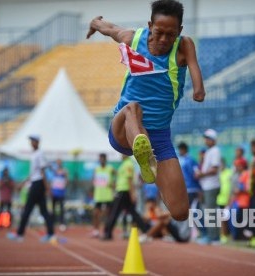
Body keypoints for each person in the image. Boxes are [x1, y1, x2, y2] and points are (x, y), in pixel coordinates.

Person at [86, 0, 205, 221]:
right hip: (124, 127)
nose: (163, 40)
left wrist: (198, 90)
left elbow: (197, 80)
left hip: (159, 136)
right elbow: (109, 29)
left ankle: (149, 162)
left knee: (180, 212)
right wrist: (95, 23)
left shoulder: (183, 46)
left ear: (179, 31)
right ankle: (144, 155)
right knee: (134, 107)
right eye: (159, 32)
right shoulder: (134, 39)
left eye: (171, 35)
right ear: (150, 25)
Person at [7, 135, 55, 243]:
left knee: (28, 209)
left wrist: (47, 187)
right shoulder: (34, 154)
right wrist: (23, 183)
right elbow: (33, 173)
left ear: (37, 142)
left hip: (38, 185)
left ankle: (20, 234)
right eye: (31, 141)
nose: (31, 143)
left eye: (33, 141)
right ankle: (51, 234)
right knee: (43, 211)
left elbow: (42, 172)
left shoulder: (40, 154)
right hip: (35, 183)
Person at [102, 155, 148, 240]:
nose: (121, 155)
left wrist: (132, 194)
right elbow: (122, 178)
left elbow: (129, 180)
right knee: (133, 213)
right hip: (123, 190)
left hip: (124, 191)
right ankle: (146, 230)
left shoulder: (128, 164)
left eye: (122, 153)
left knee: (114, 212)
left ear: (126, 154)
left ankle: (107, 233)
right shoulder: (124, 164)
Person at [196, 129, 221, 244]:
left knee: (211, 212)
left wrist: (202, 174)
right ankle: (212, 236)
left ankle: (214, 237)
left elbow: (214, 169)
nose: (205, 140)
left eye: (207, 138)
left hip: (211, 185)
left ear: (212, 139)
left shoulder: (215, 150)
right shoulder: (210, 151)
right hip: (207, 185)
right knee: (209, 212)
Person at [91, 153, 115, 238]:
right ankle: (96, 231)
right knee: (95, 214)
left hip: (108, 196)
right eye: (100, 159)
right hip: (98, 195)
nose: (101, 160)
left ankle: (107, 231)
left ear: (105, 159)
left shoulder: (110, 169)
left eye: (102, 159)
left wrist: (113, 185)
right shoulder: (96, 169)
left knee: (107, 215)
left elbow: (118, 175)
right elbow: (93, 180)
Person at [217, 158, 233, 244]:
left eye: (221, 164)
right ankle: (223, 236)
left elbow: (232, 186)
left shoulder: (229, 173)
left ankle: (228, 235)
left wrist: (230, 198)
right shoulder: (219, 174)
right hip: (220, 199)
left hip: (229, 199)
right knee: (222, 218)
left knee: (228, 218)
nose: (220, 166)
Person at [51, 159, 68, 232]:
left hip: (61, 193)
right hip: (54, 192)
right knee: (53, 208)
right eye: (57, 162)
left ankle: (62, 223)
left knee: (61, 209)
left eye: (60, 162)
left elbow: (67, 179)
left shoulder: (64, 171)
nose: (58, 164)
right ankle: (52, 222)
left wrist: (65, 185)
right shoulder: (54, 171)